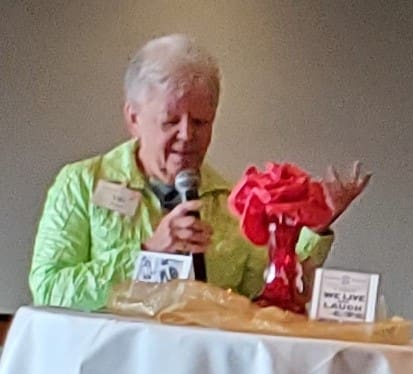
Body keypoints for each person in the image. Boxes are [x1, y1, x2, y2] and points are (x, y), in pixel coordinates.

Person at [29, 34, 370, 311]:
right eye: (170, 121)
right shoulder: (82, 184)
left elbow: (267, 295)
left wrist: (314, 227)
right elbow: (49, 288)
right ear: (133, 118)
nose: (187, 135)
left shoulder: (232, 202)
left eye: (201, 122)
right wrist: (146, 253)